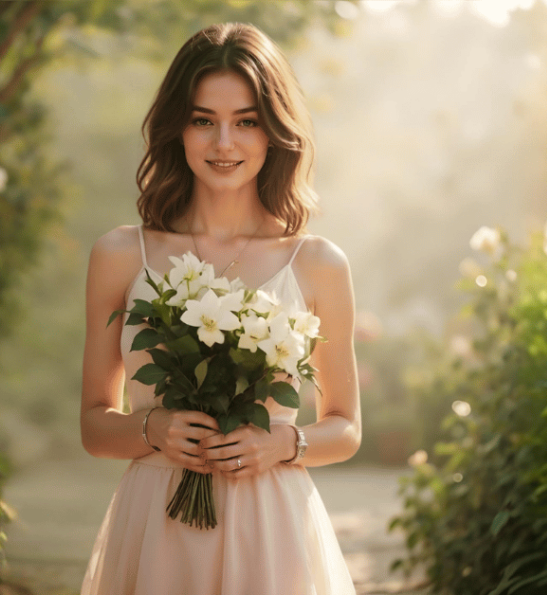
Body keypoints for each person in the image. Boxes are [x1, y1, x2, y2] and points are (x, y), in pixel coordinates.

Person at [80, 22, 361, 595]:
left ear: (274, 131)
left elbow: (347, 426)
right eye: (203, 120)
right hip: (155, 521)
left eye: (246, 122)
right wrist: (154, 428)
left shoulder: (318, 264)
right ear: (177, 129)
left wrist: (285, 443)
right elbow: (92, 425)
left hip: (271, 522)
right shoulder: (119, 254)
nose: (223, 144)